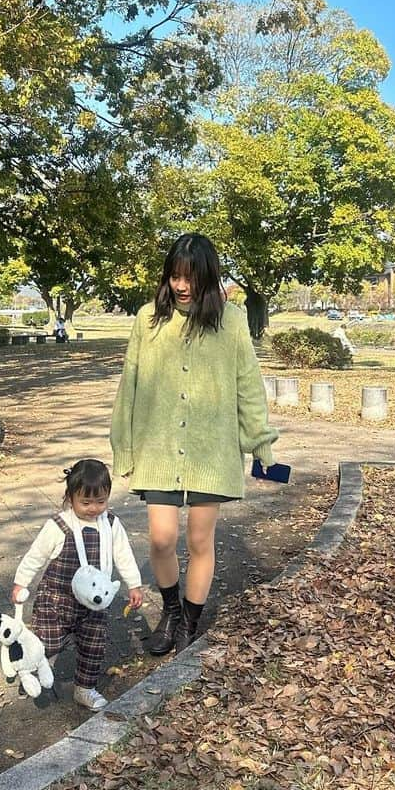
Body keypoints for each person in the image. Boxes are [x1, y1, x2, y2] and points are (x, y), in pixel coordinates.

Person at [111, 232, 278, 655]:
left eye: (190, 278)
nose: (181, 286)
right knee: (162, 540)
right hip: (160, 447)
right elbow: (129, 384)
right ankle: (169, 610)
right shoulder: (148, 318)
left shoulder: (232, 319)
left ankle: (189, 620)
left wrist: (259, 440)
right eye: (174, 276)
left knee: (200, 542)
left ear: (208, 278)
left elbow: (247, 384)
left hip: (212, 450)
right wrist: (123, 447)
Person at [10, 458, 143, 711]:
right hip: (56, 601)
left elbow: (124, 555)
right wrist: (20, 583)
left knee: (94, 646)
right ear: (70, 497)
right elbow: (35, 556)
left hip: (94, 605)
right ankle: (36, 671)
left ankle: (85, 688)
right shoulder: (58, 526)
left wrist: (134, 585)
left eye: (101, 501)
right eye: (86, 502)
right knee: (47, 643)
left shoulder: (111, 525)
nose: (94, 508)